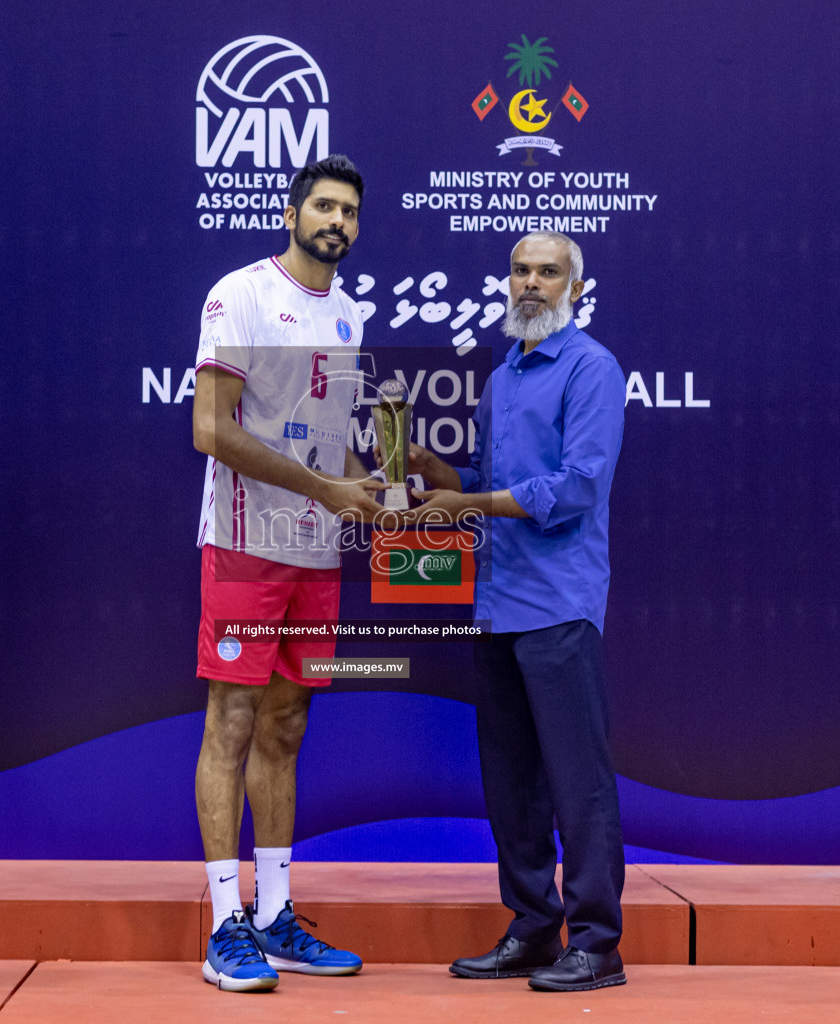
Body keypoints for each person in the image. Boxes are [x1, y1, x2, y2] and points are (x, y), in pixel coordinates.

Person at [404, 232, 629, 992]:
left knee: (578, 781)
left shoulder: (592, 369)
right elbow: (495, 481)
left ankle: (597, 943)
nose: (530, 282)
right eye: (520, 270)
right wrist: (446, 473)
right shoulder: (503, 376)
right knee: (512, 783)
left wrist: (466, 498)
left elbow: (575, 490)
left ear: (575, 286)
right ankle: (534, 930)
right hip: (497, 605)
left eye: (548, 272)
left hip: (559, 606)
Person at [191, 155, 382, 992]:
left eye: (349, 211)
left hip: (313, 551)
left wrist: (375, 492)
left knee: (287, 726)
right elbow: (211, 428)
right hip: (243, 541)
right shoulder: (239, 294)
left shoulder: (347, 314)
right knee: (231, 722)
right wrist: (324, 487)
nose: (336, 221)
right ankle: (223, 925)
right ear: (292, 211)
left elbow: (332, 438)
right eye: (324, 207)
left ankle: (275, 918)